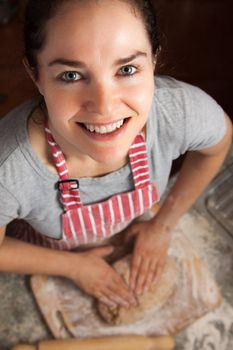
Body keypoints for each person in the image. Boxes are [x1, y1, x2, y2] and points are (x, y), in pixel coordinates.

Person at [0, 0, 232, 310]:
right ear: (36, 75)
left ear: (153, 60)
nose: (105, 107)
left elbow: (219, 141)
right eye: (70, 75)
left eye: (127, 69)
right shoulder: (8, 169)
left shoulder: (179, 113)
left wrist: (163, 225)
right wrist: (73, 267)